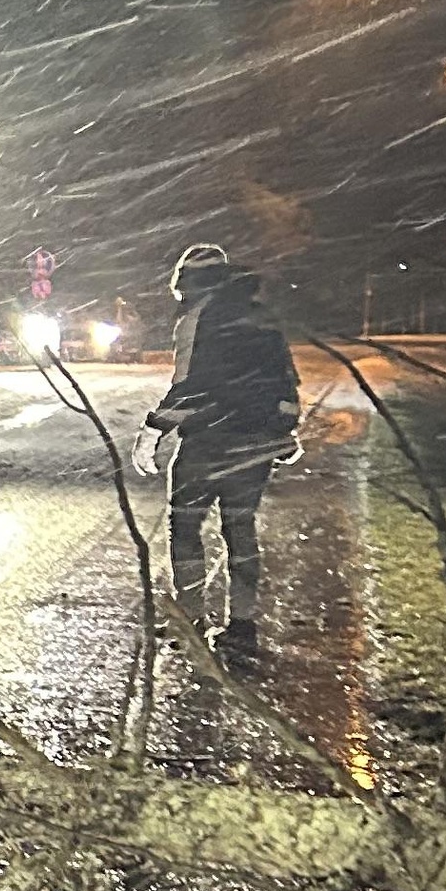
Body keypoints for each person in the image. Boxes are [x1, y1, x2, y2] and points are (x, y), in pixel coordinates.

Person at [138, 240, 300, 668]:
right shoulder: (263, 318)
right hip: (257, 443)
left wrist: (154, 429)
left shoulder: (199, 319)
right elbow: (285, 382)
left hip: (210, 442)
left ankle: (189, 617)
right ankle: (243, 625)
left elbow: (191, 385)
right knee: (240, 527)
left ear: (187, 284)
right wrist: (284, 430)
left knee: (185, 523)